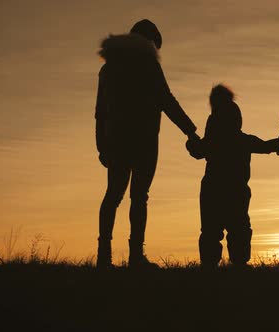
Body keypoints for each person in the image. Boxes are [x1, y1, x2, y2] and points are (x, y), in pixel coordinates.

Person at [95, 19, 200, 269]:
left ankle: (104, 256)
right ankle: (134, 256)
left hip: (117, 139)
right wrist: (191, 131)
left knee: (113, 194)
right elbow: (166, 100)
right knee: (139, 197)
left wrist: (101, 144)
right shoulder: (148, 64)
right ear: (150, 42)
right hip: (144, 139)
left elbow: (100, 111)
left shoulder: (109, 67)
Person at [186, 85, 279, 269]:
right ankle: (238, 263)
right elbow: (266, 146)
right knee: (238, 229)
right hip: (236, 190)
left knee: (212, 231)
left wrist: (191, 142)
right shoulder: (243, 140)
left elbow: (197, 151)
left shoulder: (212, 141)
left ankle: (210, 266)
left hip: (213, 190)